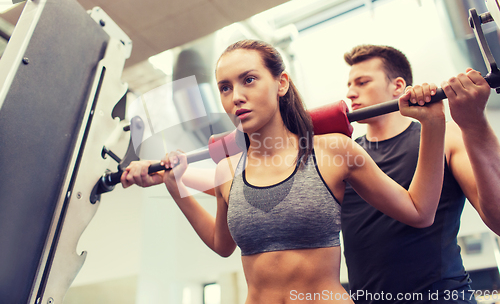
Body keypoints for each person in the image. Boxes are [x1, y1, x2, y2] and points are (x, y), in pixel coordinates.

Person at [122, 40, 446, 303]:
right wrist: (174, 184)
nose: (236, 97)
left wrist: (433, 124)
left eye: (249, 80)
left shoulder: (333, 150)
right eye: (224, 87)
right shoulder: (228, 168)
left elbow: (419, 211)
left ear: (281, 83)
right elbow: (223, 245)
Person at [342, 44, 500, 304]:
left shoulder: (446, 136)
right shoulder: (345, 157)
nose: (350, 92)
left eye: (362, 82)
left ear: (397, 85)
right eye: (349, 84)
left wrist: (474, 123)